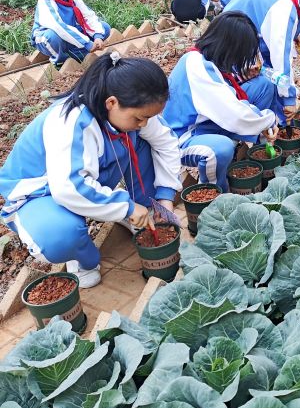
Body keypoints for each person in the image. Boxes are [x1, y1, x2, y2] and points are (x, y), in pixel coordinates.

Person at [0, 52, 181, 288]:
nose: (144, 123)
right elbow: (68, 187)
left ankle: (142, 210)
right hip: (39, 193)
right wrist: (125, 206)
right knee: (59, 236)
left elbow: (166, 142)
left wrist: (165, 197)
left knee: (143, 140)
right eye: (140, 118)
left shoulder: (129, 107)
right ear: (111, 103)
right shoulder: (71, 122)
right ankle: (82, 259)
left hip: (76, 182)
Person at [162, 11, 280, 191]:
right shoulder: (197, 66)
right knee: (222, 148)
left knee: (263, 86)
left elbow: (230, 97)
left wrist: (261, 121)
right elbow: (235, 114)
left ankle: (256, 149)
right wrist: (268, 120)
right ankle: (214, 192)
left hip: (206, 122)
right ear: (230, 47)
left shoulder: (205, 59)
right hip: (183, 137)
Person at [31, 0, 111, 66]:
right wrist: (87, 43)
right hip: (49, 36)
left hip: (69, 32)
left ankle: (76, 53)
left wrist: (98, 36)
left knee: (104, 27)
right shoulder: (45, 0)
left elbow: (87, 14)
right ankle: (61, 60)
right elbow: (58, 26)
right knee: (52, 37)